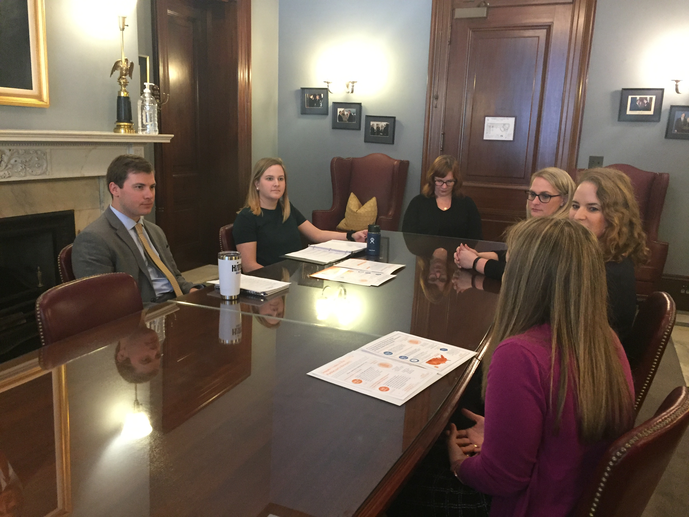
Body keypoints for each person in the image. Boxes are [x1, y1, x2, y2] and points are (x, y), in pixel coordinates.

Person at [389, 217, 635, 517]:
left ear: (524, 279)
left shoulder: (519, 355)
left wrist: (458, 465)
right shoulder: (605, 339)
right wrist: (498, 435)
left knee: (404, 483)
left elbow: (501, 479)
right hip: (570, 494)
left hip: (525, 505)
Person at [72, 155, 199, 305]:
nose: (149, 195)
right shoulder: (93, 239)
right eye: (139, 187)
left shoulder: (155, 231)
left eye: (152, 187)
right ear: (114, 189)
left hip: (178, 305)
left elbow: (175, 277)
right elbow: (105, 303)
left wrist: (195, 292)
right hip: (145, 316)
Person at [232, 157, 367, 272]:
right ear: (257, 184)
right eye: (269, 179)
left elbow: (317, 235)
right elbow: (249, 266)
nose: (276, 184)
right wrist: (279, 281)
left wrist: (351, 236)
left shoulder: (286, 209)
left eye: (280, 179)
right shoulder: (246, 218)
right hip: (270, 284)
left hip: (294, 277)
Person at [569, 167, 648, 359]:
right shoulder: (597, 256)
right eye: (575, 205)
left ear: (616, 217)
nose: (578, 216)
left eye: (592, 208)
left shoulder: (610, 273)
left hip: (593, 367)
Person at [454, 167, 575, 279]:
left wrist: (474, 262)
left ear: (564, 199)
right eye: (532, 194)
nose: (535, 202)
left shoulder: (561, 235)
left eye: (545, 196)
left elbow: (520, 274)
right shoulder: (536, 228)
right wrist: (478, 255)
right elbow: (514, 255)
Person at [402, 155, 482, 239]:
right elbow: (409, 237)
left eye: (449, 181)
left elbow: (476, 237)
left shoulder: (467, 204)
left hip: (459, 252)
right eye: (440, 181)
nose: (444, 186)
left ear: (456, 181)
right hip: (424, 252)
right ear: (432, 179)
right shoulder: (417, 203)